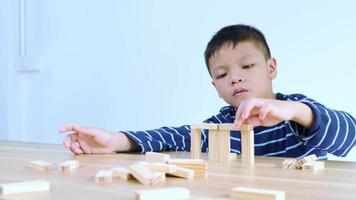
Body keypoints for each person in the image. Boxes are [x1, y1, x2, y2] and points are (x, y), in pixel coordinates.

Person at [59, 24, 356, 159]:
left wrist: (297, 112)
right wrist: (116, 141)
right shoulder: (222, 125)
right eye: (223, 74)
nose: (236, 79)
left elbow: (348, 136)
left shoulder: (296, 111)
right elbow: (174, 136)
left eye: (247, 66)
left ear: (271, 68)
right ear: (215, 87)